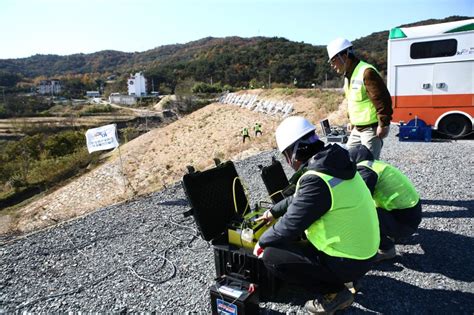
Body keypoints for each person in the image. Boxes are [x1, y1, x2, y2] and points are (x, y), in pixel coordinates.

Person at [253, 116, 380, 314]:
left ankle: (336, 293)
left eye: (286, 155)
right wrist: (273, 211)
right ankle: (344, 277)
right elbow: (298, 198)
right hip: (364, 251)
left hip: (351, 260)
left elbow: (290, 225)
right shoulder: (332, 164)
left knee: (272, 256)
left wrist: (261, 242)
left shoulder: (316, 179)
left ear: (293, 153)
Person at [348, 144, 422, 261]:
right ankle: (392, 233)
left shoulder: (365, 171)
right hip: (410, 216)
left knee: (362, 215)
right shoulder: (376, 165)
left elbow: (359, 202)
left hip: (405, 224)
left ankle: (387, 250)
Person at [326, 38, 393, 159]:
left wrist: (384, 124)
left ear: (345, 56)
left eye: (333, 60)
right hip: (357, 129)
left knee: (369, 165)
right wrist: (351, 120)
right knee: (349, 161)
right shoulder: (348, 76)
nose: (332, 65)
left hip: (370, 130)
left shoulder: (366, 72)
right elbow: (352, 101)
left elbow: (382, 99)